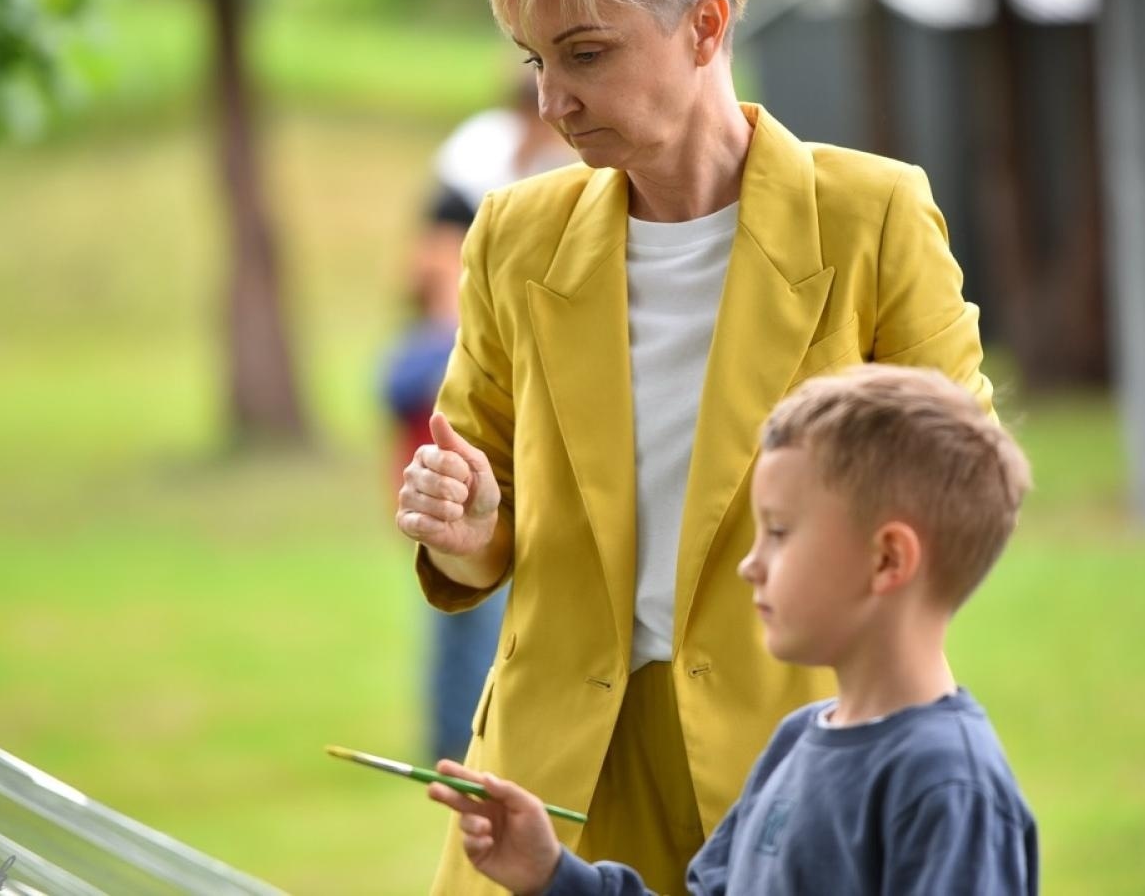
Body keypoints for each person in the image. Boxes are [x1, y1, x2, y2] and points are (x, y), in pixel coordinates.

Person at [394, 0, 996, 894]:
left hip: (796, 760)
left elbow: (963, 490)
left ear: (707, 26)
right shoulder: (511, 234)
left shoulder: (873, 218)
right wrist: (468, 519)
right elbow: (483, 509)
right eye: (535, 61)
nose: (552, 100)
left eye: (583, 54)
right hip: (549, 783)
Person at [428, 365, 1037, 895]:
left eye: (778, 531)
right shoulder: (796, 743)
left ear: (888, 560)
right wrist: (554, 875)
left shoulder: (949, 787)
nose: (751, 563)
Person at [382, 73, 574, 764]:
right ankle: (455, 736)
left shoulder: (571, 174)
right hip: (460, 362)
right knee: (464, 575)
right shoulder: (474, 172)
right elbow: (429, 273)